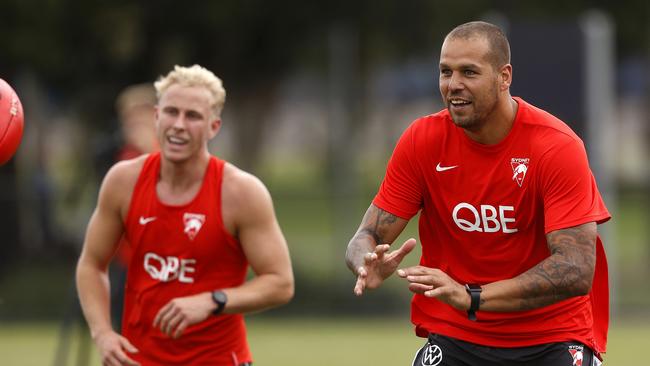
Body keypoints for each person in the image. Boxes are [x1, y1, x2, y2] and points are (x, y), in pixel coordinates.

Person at [345, 21, 610, 366]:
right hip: (457, 335)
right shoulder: (422, 141)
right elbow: (365, 235)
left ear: (504, 77)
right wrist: (364, 261)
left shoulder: (555, 146)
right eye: (445, 72)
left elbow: (575, 270)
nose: (453, 85)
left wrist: (471, 296)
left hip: (551, 337)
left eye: (469, 72)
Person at [77, 64, 294, 366]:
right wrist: (102, 333)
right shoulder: (123, 181)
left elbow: (280, 283)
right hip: (139, 361)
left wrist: (212, 301)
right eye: (171, 112)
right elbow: (91, 263)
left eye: (192, 116)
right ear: (156, 116)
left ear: (213, 127)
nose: (178, 124)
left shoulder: (241, 192)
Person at [110, 83, 158, 332]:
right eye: (128, 118)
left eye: (139, 116)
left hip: (159, 261)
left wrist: (148, 147)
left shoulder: (166, 151)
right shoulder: (125, 154)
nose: (132, 124)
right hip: (126, 260)